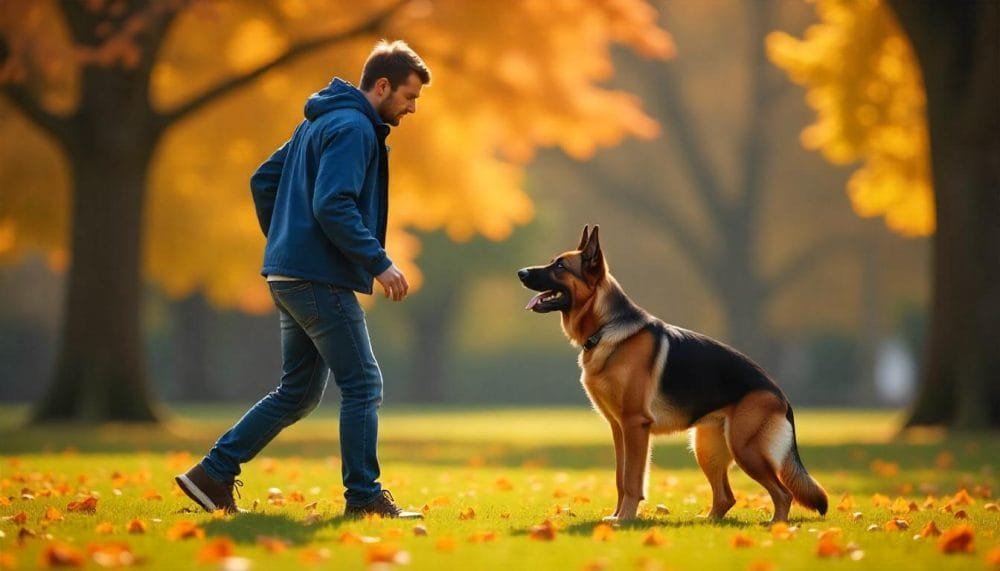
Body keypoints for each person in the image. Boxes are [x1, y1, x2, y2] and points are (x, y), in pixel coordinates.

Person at [176, 40, 431, 519]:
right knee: (362, 384)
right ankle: (364, 497)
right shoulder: (355, 127)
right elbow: (333, 204)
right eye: (409, 96)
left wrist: (287, 242)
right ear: (382, 86)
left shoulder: (319, 119)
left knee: (297, 392)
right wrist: (377, 261)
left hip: (289, 273)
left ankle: (212, 473)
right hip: (317, 278)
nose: (412, 108)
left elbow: (263, 180)